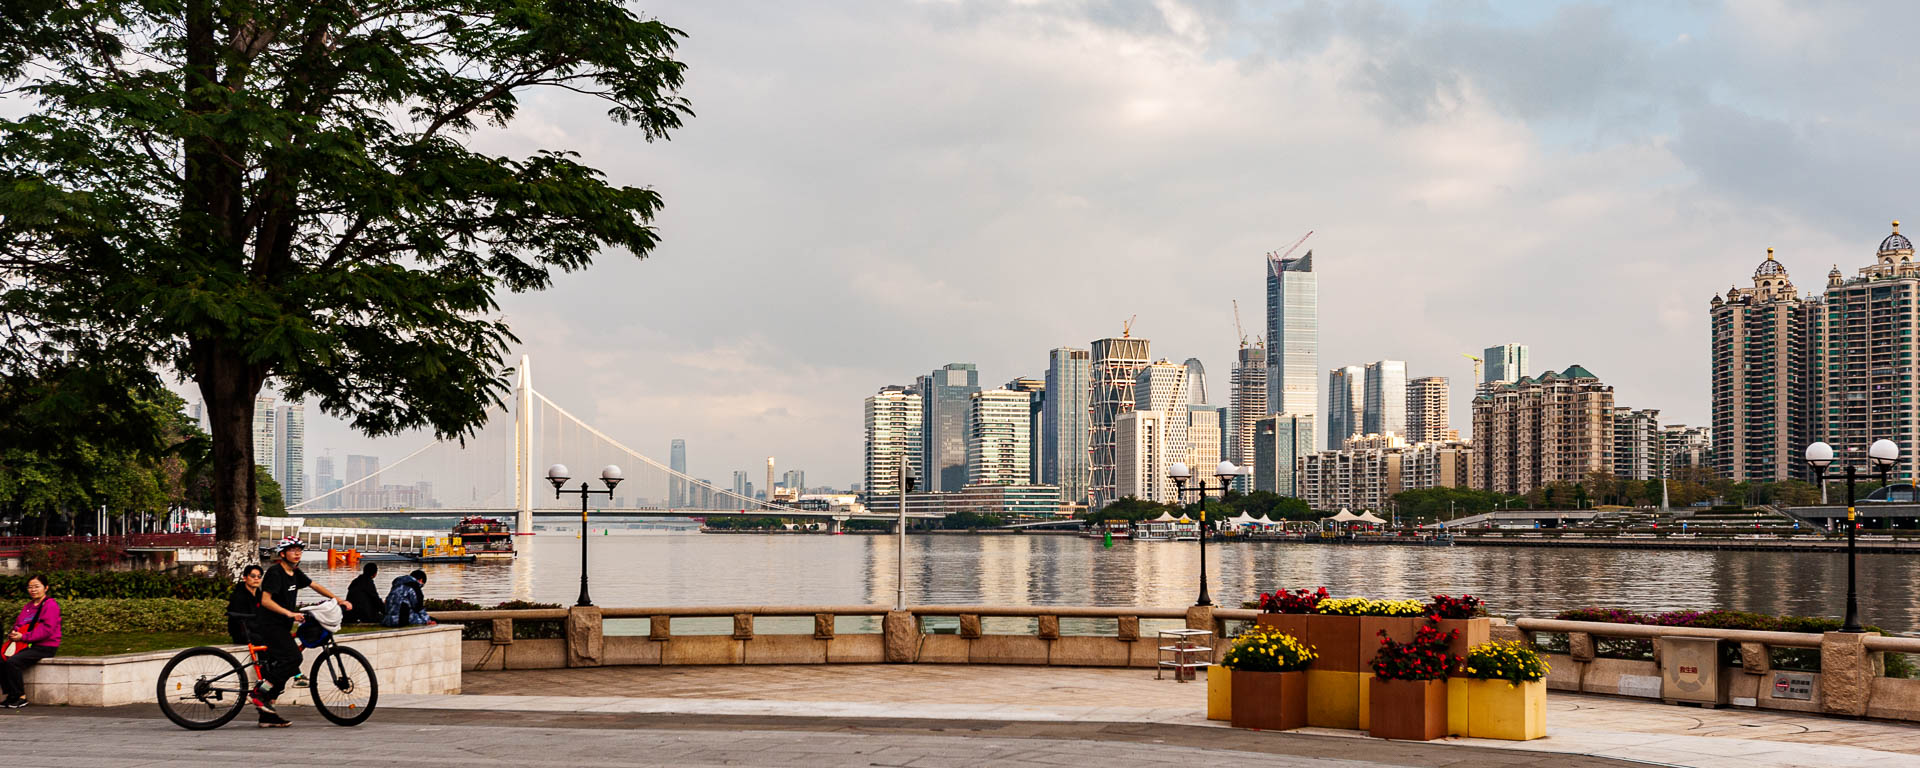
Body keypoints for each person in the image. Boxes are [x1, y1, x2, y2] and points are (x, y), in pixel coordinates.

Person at [252, 537, 351, 727]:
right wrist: (290, 613)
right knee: (294, 659)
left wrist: (337, 599)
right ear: (282, 554)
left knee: (283, 667)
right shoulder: (275, 572)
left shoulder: (295, 572)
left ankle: (267, 715)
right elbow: (265, 600)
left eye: (299, 550)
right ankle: (259, 693)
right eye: (292, 550)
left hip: (283, 625)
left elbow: (315, 586)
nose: (297, 553)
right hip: (269, 625)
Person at [1, 575, 59, 709]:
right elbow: (18, 624)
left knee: (13, 662)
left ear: (46, 588)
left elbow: (47, 630)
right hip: (25, 643)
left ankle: (20, 696)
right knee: (1, 658)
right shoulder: (28, 606)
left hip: (44, 646)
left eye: (37, 586)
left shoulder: (50, 605)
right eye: (30, 587)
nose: (33, 590)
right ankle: (11, 695)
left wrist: (24, 637)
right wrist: (14, 633)